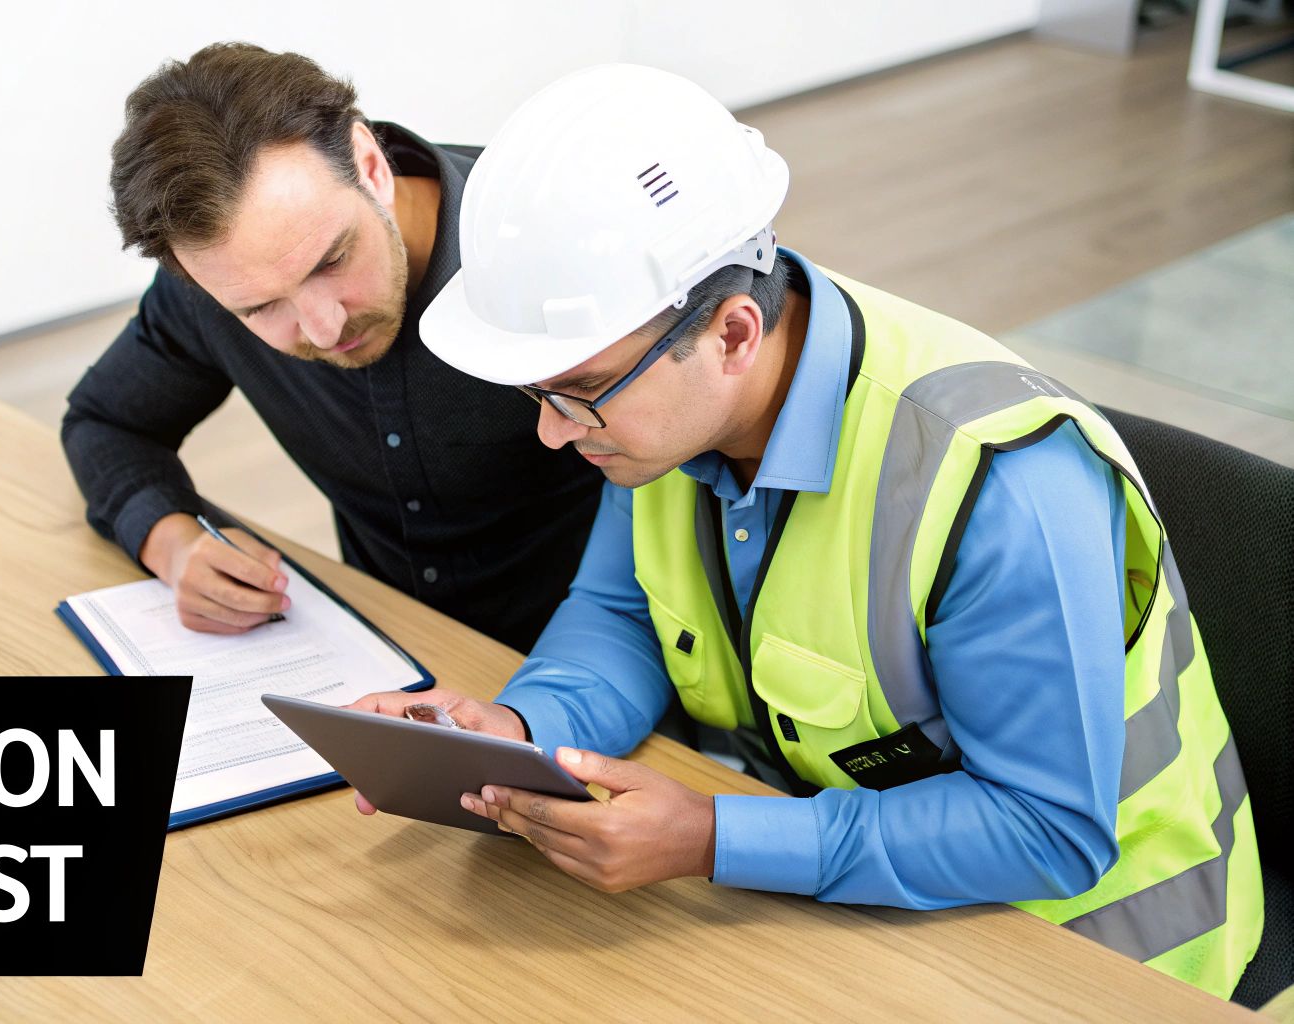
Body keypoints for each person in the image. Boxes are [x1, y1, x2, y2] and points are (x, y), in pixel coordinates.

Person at [349, 64, 1262, 998]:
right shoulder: (663, 409)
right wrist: (519, 730)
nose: (550, 430)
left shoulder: (999, 485)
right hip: (850, 886)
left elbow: (1047, 827)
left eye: (576, 393)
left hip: (1099, 954)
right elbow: (624, 614)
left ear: (735, 333)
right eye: (536, 395)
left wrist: (714, 836)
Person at [61, 43, 601, 651]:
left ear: (371, 166)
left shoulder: (559, 243)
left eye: (333, 260)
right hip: (385, 659)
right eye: (262, 308)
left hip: (605, 668)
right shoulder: (212, 287)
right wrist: (174, 544)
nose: (323, 330)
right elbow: (105, 421)